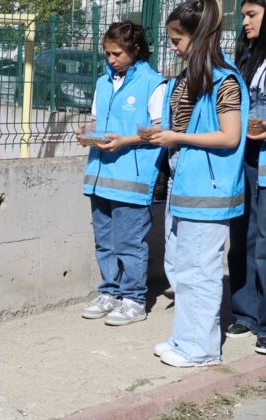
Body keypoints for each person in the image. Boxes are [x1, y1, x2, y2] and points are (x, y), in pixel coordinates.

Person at [149, 0, 249, 367]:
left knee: (201, 270)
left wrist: (177, 136)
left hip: (209, 189)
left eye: (178, 39)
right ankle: (185, 338)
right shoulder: (185, 77)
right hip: (183, 183)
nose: (173, 46)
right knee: (181, 267)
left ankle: (202, 350)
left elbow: (229, 136)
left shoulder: (225, 80)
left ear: (199, 36)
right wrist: (167, 134)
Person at [74, 21, 166, 326]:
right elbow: (98, 121)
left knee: (130, 241)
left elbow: (160, 130)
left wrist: (127, 140)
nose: (111, 59)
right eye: (107, 53)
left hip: (132, 179)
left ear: (135, 50)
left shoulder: (154, 84)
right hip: (100, 176)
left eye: (116, 53)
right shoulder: (103, 82)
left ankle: (134, 299)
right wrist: (86, 132)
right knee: (104, 241)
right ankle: (110, 292)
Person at [227, 0, 266, 355]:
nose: (244, 22)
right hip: (245, 156)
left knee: (265, 238)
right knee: (242, 233)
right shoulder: (245, 55)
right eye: (242, 15)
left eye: (251, 15)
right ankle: (245, 311)